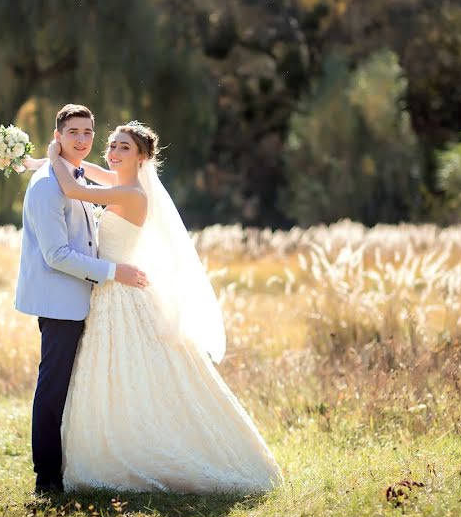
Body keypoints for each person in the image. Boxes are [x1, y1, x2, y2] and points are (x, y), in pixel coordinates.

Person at [25, 120, 282, 493]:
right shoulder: (120, 185)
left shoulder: (133, 196)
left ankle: (147, 447)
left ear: (142, 156)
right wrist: (37, 163)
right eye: (111, 145)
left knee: (140, 372)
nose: (112, 152)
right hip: (107, 291)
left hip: (122, 291)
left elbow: (74, 187)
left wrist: (53, 153)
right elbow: (84, 171)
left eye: (123, 148)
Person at [14, 104, 148, 495]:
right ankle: (47, 478)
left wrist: (52, 158)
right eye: (74, 132)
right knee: (53, 388)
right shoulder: (46, 186)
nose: (83, 140)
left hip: (89, 300)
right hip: (61, 302)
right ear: (59, 134)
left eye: (88, 132)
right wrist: (112, 272)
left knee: (77, 388)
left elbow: (80, 191)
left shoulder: (71, 174)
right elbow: (56, 255)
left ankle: (85, 462)